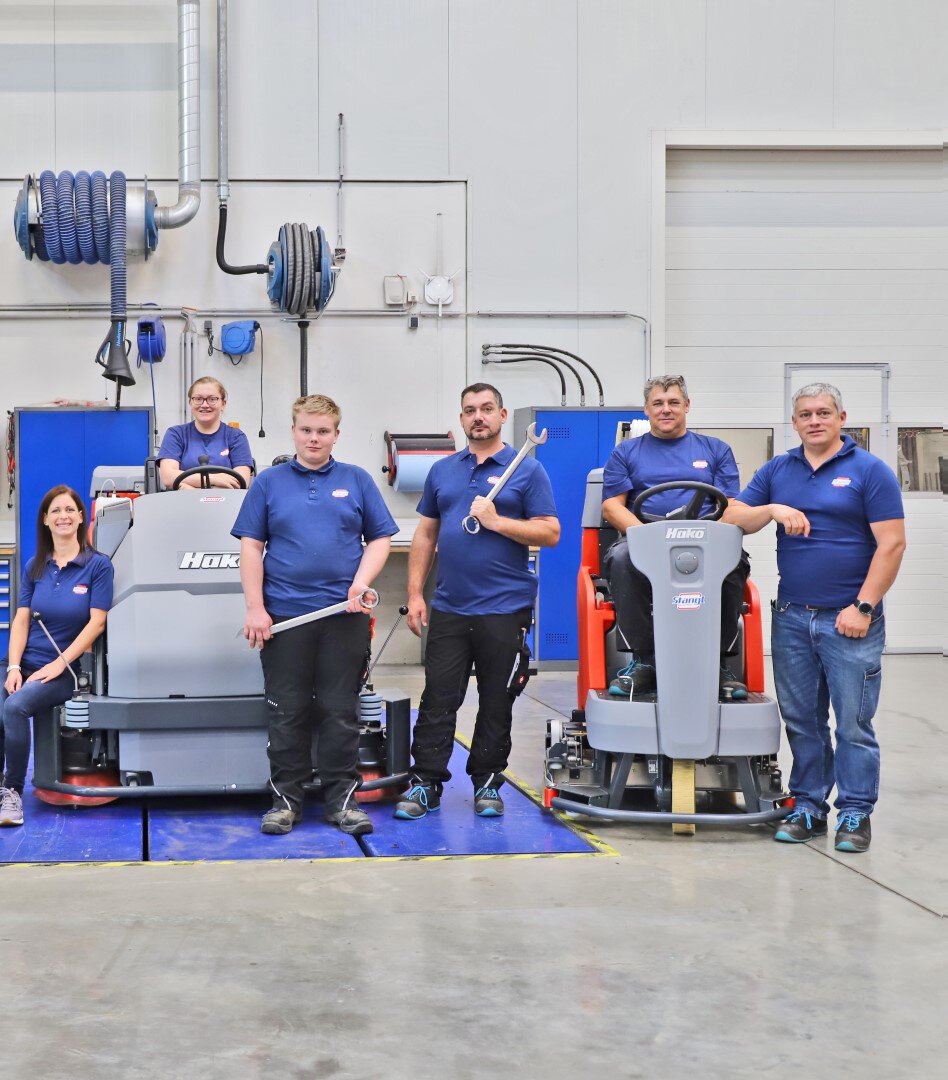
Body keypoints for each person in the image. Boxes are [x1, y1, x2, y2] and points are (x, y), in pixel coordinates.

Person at [724, 383, 905, 853]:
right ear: (795, 422)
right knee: (803, 720)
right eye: (805, 414)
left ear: (842, 417)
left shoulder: (870, 471)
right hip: (792, 617)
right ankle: (808, 806)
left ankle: (855, 813)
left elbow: (892, 544)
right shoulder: (779, 469)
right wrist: (772, 508)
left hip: (850, 619)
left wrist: (863, 607)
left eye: (824, 412)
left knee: (852, 724)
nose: (814, 420)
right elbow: (732, 516)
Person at [232, 394, 397, 837]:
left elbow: (380, 539)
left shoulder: (357, 480)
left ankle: (342, 802)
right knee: (286, 712)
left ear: (336, 435)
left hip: (344, 618)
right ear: (294, 431)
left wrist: (361, 583)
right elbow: (251, 546)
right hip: (285, 619)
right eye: (306, 430)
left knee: (340, 711)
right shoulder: (268, 483)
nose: (314, 438)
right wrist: (255, 607)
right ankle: (285, 803)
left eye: (323, 431)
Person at [394, 383, 560, 821]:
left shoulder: (527, 470)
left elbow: (550, 532)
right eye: (470, 410)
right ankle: (427, 783)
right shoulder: (444, 471)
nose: (478, 417)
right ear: (462, 418)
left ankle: (487, 782)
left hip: (505, 609)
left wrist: (497, 522)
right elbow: (426, 534)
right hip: (450, 606)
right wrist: (414, 594)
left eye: (487, 409)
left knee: (496, 699)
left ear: (503, 415)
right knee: (437, 698)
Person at [600, 374, 749, 699]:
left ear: (687, 406)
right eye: (658, 403)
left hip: (705, 541)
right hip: (642, 541)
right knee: (624, 560)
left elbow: (730, 505)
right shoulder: (625, 453)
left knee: (733, 563)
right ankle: (645, 662)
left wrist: (707, 533)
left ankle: (718, 664)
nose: (665, 409)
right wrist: (645, 539)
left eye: (673, 402)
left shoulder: (716, 450)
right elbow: (613, 506)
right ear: (647, 409)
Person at [0, 486, 113, 826]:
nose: (63, 516)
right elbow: (21, 619)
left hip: (65, 671)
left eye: (70, 510)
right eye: (56, 511)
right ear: (46, 520)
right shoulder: (36, 565)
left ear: (81, 517)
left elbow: (97, 622)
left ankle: (13, 792)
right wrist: (15, 666)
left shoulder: (98, 567)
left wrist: (58, 663)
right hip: (27, 662)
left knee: (15, 706)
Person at [158, 376, 254, 490]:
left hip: (225, 505)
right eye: (198, 399)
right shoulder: (175, 434)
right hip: (182, 504)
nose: (204, 405)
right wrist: (216, 479)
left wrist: (188, 487)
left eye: (212, 399)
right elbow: (168, 478)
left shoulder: (236, 437)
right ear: (190, 402)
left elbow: (241, 481)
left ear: (223, 404)